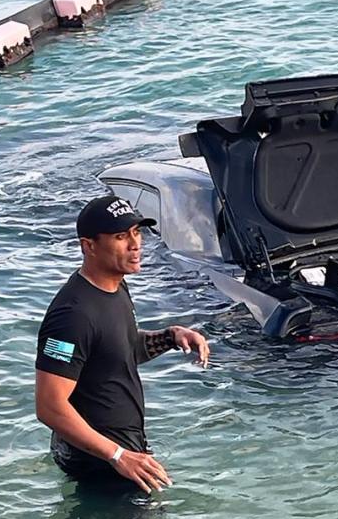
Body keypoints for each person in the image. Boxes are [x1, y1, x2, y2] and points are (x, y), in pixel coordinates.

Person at [36, 195, 210, 493]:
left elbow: (116, 349)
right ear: (88, 246)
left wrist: (170, 336)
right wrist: (118, 456)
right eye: (120, 236)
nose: (135, 244)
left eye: (136, 232)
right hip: (100, 461)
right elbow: (49, 407)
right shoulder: (72, 315)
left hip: (122, 452)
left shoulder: (115, 286)